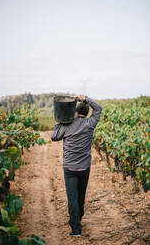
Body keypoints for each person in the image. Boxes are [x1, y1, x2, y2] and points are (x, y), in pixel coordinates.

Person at [51, 95, 102, 237]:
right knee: (81, 197)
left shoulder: (66, 125)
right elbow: (99, 109)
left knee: (72, 198)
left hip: (70, 168)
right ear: (86, 113)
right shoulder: (90, 124)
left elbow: (54, 137)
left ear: (75, 112)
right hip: (85, 168)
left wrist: (60, 121)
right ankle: (78, 219)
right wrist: (85, 98)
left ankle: (76, 230)